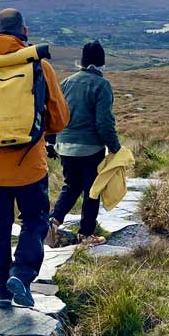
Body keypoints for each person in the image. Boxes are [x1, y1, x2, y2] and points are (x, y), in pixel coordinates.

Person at [0, 8, 69, 308]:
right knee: (34, 221)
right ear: (25, 32)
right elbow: (59, 121)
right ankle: (21, 273)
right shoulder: (40, 67)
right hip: (31, 167)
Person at [47, 41, 121, 248]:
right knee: (92, 190)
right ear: (101, 63)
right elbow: (104, 122)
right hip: (90, 148)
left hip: (65, 145)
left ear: (82, 61)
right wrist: (114, 147)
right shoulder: (101, 85)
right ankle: (86, 234)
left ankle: (52, 223)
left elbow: (55, 114)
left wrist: (52, 142)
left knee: (71, 186)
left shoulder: (67, 82)